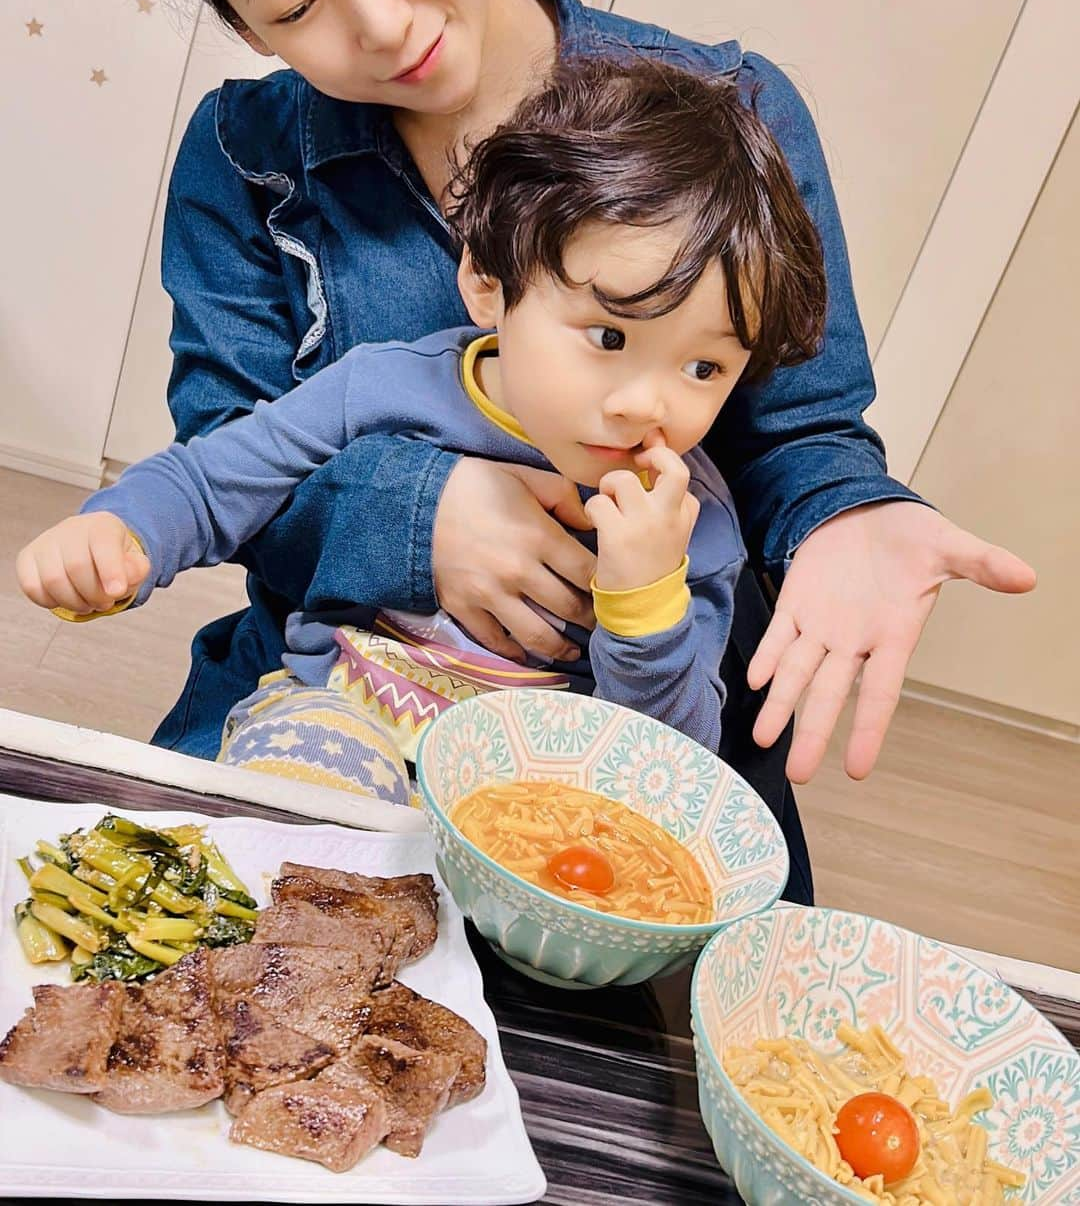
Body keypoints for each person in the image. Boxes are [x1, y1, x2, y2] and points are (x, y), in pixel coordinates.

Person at [38, 0, 1034, 900]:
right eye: (294, 5)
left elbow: (800, 434)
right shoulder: (246, 161)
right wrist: (422, 516)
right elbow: (224, 458)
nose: (379, 23)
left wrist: (851, 512)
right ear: (244, 24)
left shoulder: (731, 113)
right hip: (339, 690)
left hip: (588, 752)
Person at [18, 54, 828, 815]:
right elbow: (211, 481)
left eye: (704, 369)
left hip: (524, 806)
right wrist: (119, 532)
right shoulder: (385, 385)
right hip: (339, 724)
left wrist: (646, 602)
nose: (648, 405)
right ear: (486, 282)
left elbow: (665, 773)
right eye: (610, 338)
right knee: (294, 817)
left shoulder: (693, 521)